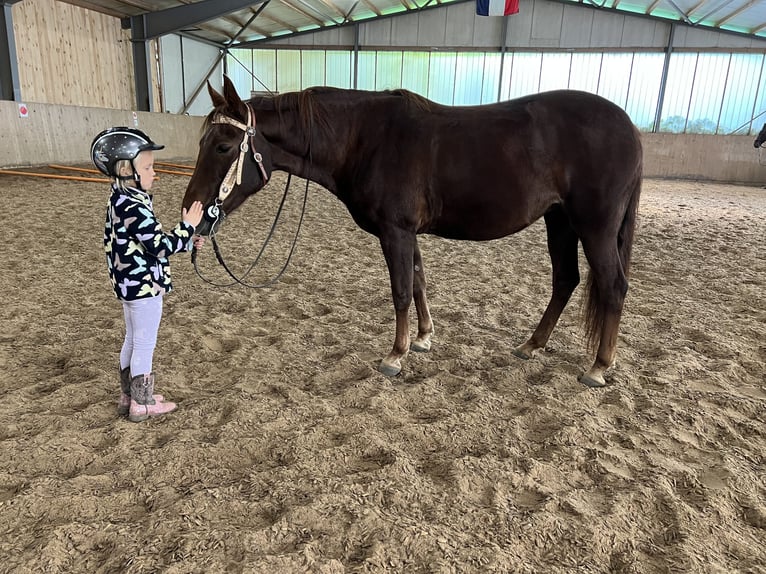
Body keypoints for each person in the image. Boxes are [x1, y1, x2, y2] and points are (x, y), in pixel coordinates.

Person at [91, 127, 204, 422]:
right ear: (128, 171)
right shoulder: (134, 206)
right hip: (143, 286)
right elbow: (159, 246)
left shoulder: (120, 199)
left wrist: (187, 241)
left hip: (129, 285)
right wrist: (188, 227)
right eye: (148, 167)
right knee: (143, 342)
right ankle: (141, 403)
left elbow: (146, 242)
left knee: (132, 338)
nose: (155, 173)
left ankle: (129, 395)